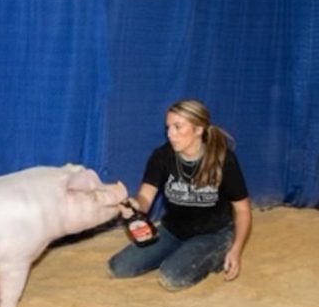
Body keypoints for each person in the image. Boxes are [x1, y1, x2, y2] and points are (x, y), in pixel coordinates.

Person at [108, 99, 252, 291]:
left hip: (212, 233)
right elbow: (145, 198)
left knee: (172, 278)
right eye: (168, 127)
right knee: (118, 268)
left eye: (178, 127)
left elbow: (242, 210)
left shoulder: (223, 159)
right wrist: (133, 206)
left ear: (199, 129)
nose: (170, 134)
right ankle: (181, 252)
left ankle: (216, 252)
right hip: (173, 230)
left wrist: (236, 250)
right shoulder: (161, 157)